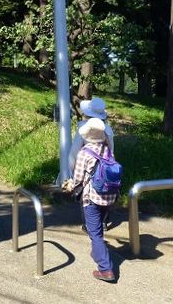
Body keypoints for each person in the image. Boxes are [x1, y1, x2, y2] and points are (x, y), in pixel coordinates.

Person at [64, 117, 118, 282]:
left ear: (86, 135)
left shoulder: (85, 153)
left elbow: (78, 179)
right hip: (109, 196)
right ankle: (97, 251)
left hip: (92, 197)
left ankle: (105, 269)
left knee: (94, 232)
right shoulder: (107, 149)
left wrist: (68, 186)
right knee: (98, 227)